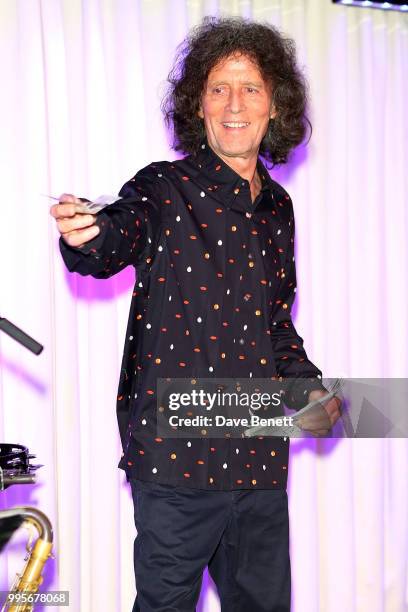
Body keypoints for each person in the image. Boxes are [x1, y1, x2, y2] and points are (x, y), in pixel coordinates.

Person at [50, 16, 341, 612]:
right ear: (199, 106)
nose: (234, 104)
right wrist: (86, 234)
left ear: (274, 108)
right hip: (176, 463)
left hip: (258, 458)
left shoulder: (279, 208)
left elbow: (275, 325)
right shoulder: (162, 189)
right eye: (218, 88)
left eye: (251, 88)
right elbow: (114, 237)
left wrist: (310, 390)